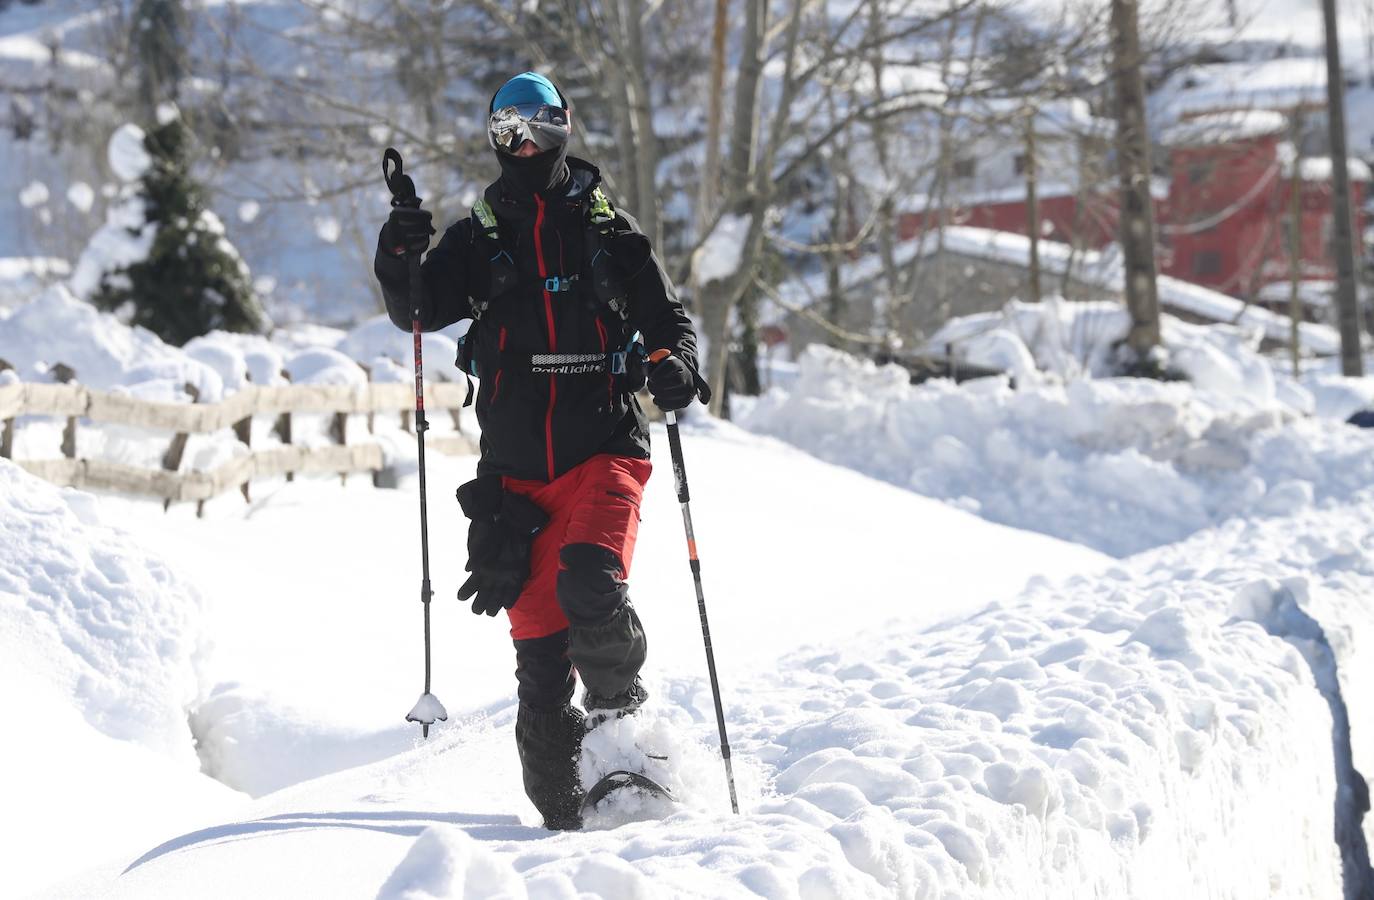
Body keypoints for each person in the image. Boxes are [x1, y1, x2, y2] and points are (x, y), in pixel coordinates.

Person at [373, 72, 708, 831]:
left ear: (564, 127)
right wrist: (399, 251)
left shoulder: (608, 234)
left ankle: (628, 745)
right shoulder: (475, 240)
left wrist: (676, 366)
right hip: (516, 483)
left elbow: (670, 325)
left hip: (604, 449)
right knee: (541, 688)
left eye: (537, 125)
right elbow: (415, 309)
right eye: (505, 130)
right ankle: (568, 837)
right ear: (493, 139)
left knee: (590, 580)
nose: (522, 142)